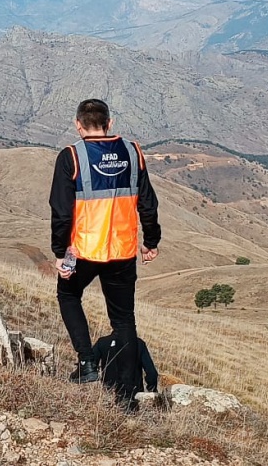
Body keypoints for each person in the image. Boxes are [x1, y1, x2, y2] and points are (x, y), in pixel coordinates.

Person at [51, 98, 161, 384]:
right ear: (109, 123)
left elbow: (61, 210)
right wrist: (151, 241)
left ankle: (87, 361)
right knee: (124, 320)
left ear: (78, 126)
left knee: (68, 295)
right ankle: (125, 394)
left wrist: (60, 251)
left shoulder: (71, 157)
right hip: (123, 251)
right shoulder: (132, 152)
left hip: (84, 249)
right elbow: (148, 203)